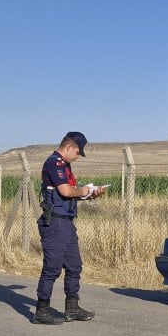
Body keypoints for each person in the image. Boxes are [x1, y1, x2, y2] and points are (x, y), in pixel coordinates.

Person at [33, 131, 107, 325]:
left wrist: (90, 194)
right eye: (77, 153)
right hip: (55, 224)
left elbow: (70, 194)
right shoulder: (54, 164)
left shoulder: (65, 167)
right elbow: (65, 191)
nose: (77, 157)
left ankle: (72, 308)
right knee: (52, 268)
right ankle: (41, 310)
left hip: (67, 223)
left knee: (74, 266)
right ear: (68, 147)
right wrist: (83, 190)